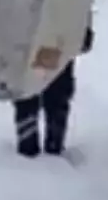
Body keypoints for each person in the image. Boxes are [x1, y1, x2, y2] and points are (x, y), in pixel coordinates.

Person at [14, 13, 94, 158]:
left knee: (34, 92)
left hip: (41, 35)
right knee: (47, 94)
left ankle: (37, 147)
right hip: (51, 36)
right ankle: (48, 146)